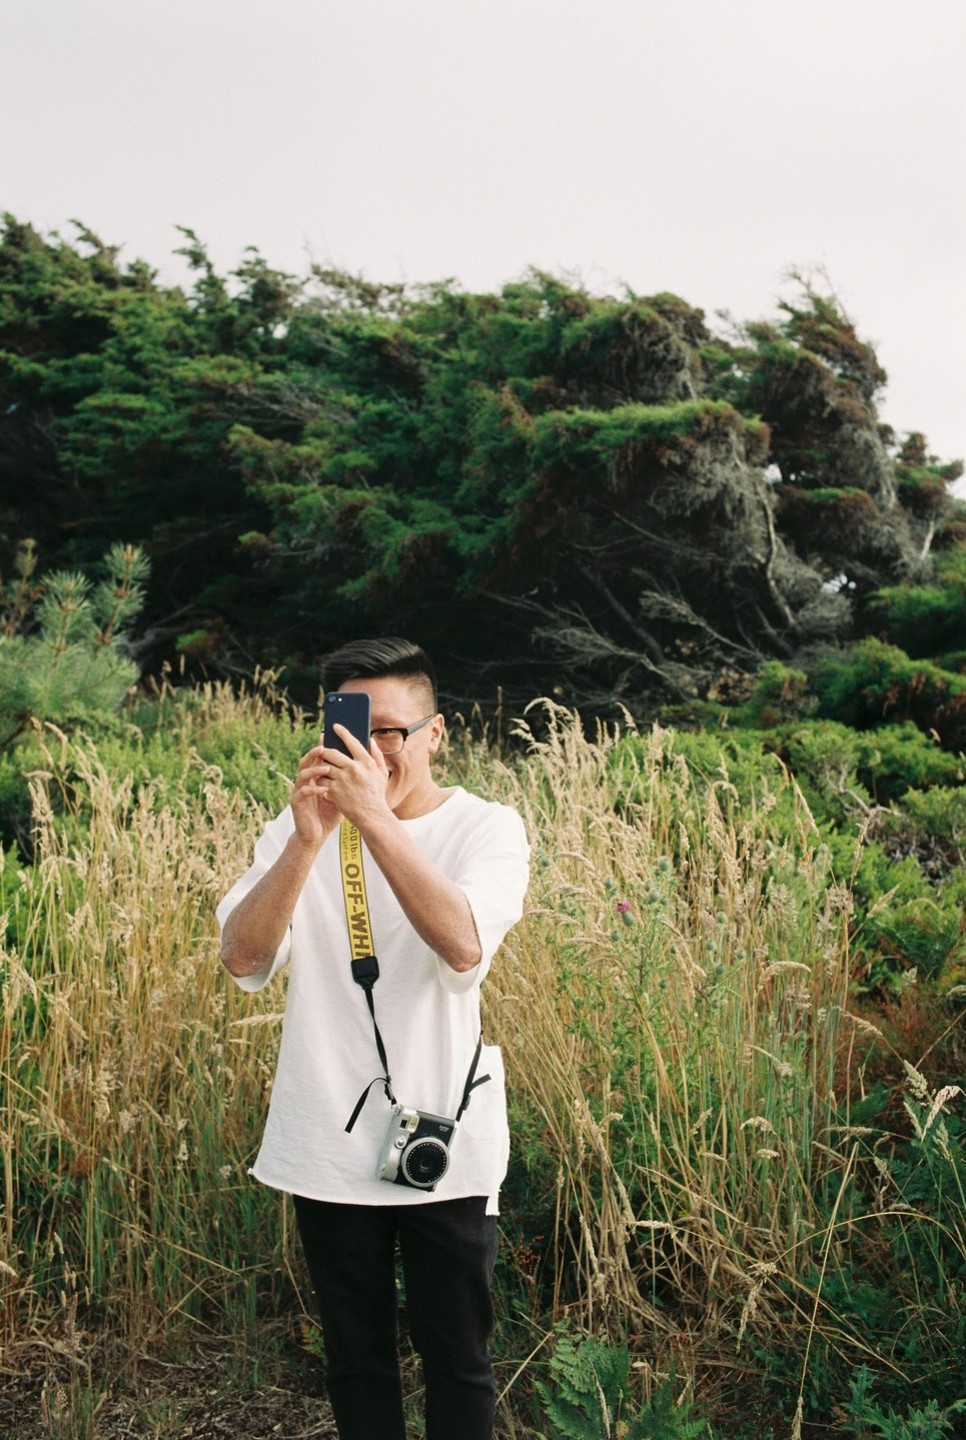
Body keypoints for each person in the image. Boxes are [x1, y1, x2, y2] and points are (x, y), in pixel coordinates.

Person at [217, 637, 530, 1440]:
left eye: (392, 730)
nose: (374, 748)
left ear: (437, 733)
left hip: (446, 1134)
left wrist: (372, 819)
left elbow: (462, 945)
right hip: (326, 1131)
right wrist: (311, 839)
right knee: (355, 1358)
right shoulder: (296, 831)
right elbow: (243, 957)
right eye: (357, 727)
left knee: (457, 1354)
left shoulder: (487, 828)